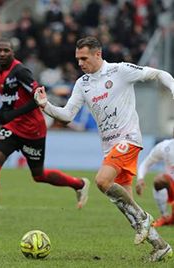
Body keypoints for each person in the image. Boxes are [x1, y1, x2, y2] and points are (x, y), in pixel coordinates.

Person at [34, 36, 174, 262]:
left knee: (101, 181)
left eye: (84, 58)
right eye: (77, 59)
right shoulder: (83, 84)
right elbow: (68, 115)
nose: (80, 63)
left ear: (97, 54)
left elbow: (159, 74)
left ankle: (144, 219)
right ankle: (160, 246)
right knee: (127, 207)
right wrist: (45, 106)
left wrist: (173, 88)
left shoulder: (120, 70)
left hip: (128, 140)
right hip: (110, 148)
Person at [0, 39, 90, 230]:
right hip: (12, 128)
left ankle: (79, 184)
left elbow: (38, 98)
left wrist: (11, 114)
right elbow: (9, 102)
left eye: (5, 50)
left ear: (12, 52)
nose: (1, 53)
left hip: (33, 130)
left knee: (38, 175)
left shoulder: (20, 72)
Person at [136, 131, 174, 227]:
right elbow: (146, 163)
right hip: (172, 186)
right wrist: (140, 179)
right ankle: (165, 216)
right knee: (159, 180)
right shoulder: (165, 147)